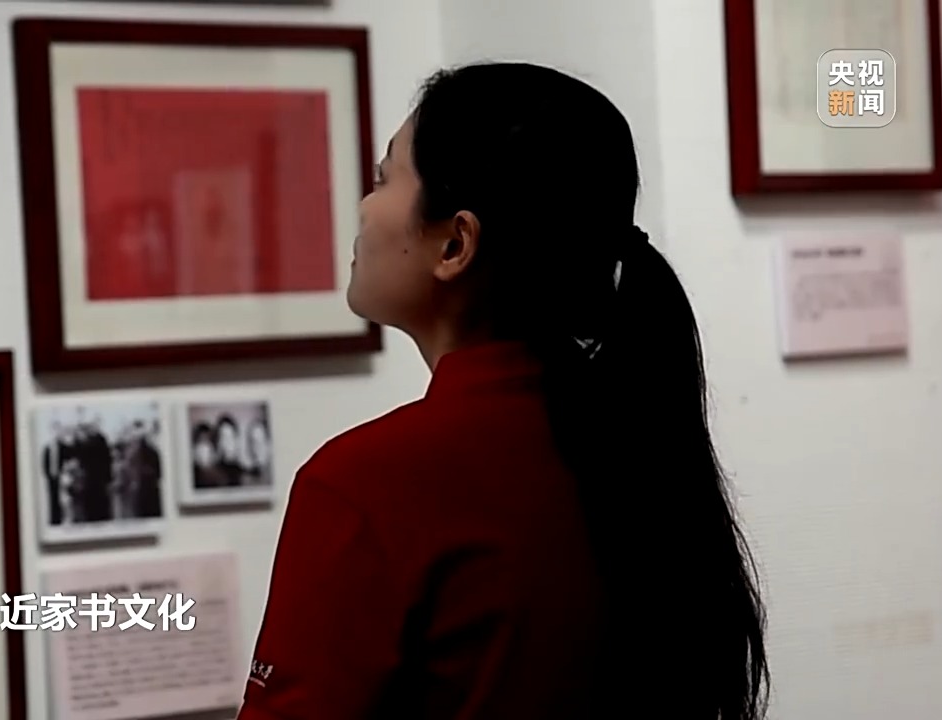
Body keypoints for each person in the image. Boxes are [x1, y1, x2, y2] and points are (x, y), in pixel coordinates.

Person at [237, 63, 768, 719]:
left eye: (383, 178)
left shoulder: (365, 483)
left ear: (455, 244)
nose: (365, 207)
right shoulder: (640, 439)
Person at [213, 415, 245, 486]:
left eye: (230, 437)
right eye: (223, 437)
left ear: (237, 440)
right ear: (218, 442)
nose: (227, 443)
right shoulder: (214, 475)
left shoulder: (245, 472)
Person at [242, 417, 271, 485]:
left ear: (269, 444)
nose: (255, 449)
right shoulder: (248, 478)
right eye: (252, 442)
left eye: (259, 443)